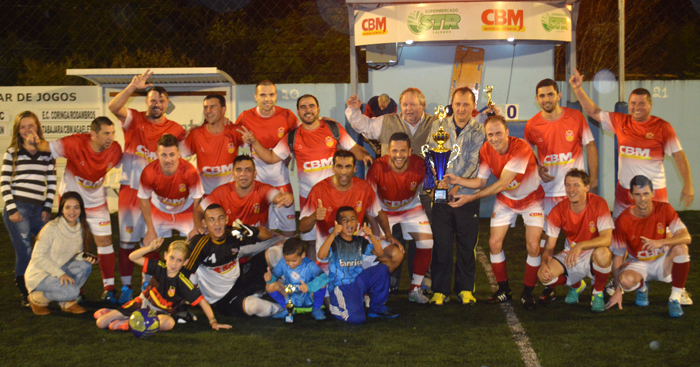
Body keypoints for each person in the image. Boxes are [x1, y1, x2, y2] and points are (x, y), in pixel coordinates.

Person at [239, 94, 372, 260]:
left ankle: (343, 273)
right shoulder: (292, 136)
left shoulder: (333, 128)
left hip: (334, 195)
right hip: (308, 197)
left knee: (342, 236)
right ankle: (312, 279)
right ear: (298, 112)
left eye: (311, 106)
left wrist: (366, 155)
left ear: (318, 109)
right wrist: (254, 142)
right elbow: (271, 157)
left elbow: (353, 148)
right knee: (310, 241)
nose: (307, 110)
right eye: (303, 107)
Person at [442, 115, 544, 309]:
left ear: (507, 132)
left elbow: (502, 183)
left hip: (531, 199)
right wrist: (458, 180)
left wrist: (470, 198)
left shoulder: (520, 148)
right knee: (494, 243)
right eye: (490, 134)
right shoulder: (486, 150)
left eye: (498, 133)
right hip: (506, 199)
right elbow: (480, 182)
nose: (495, 138)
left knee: (533, 245)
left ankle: (528, 293)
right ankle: (504, 290)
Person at [569, 68, 693, 217]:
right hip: (625, 192)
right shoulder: (620, 121)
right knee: (621, 235)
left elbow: (679, 156)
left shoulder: (662, 127)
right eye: (633, 103)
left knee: (657, 237)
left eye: (641, 103)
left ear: (650, 105)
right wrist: (578, 89)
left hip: (654, 193)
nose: (637, 107)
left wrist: (688, 185)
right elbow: (594, 112)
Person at [109, 70, 187, 304]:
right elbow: (113, 107)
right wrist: (133, 86)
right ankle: (124, 287)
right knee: (126, 242)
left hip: (157, 195)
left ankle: (146, 285)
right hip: (131, 191)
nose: (156, 104)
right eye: (152, 100)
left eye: (161, 100)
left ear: (167, 104)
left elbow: (186, 153)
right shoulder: (134, 118)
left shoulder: (176, 129)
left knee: (152, 241)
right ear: (146, 101)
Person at [26, 116, 123, 304]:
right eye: (106, 134)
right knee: (73, 245)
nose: (110, 138)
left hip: (96, 201)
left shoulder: (115, 150)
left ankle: (109, 290)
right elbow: (46, 147)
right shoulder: (75, 143)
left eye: (112, 133)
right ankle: (75, 290)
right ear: (93, 134)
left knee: (105, 241)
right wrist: (36, 141)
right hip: (72, 203)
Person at [524, 78, 598, 304]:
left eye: (550, 94)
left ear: (558, 95)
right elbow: (525, 155)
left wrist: (592, 181)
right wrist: (536, 166)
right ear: (537, 100)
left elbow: (590, 146)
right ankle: (556, 286)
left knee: (589, 240)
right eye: (542, 96)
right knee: (550, 242)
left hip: (576, 193)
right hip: (548, 194)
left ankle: (601, 284)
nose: (546, 99)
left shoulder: (575, 117)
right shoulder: (532, 125)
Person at [427, 87, 486, 306]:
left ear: (473, 106)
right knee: (441, 244)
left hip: (467, 195)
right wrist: (439, 180)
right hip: (441, 193)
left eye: (466, 104)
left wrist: (455, 186)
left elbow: (474, 162)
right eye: (457, 104)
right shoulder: (438, 125)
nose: (461, 108)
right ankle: (439, 291)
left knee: (466, 244)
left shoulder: (480, 131)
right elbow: (433, 155)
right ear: (451, 104)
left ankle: (465, 289)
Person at [94, 239, 232, 331]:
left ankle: (128, 324)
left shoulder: (183, 282)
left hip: (160, 313)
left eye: (179, 260)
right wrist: (149, 248)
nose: (174, 263)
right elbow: (132, 257)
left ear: (185, 262)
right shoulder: (158, 267)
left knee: (169, 323)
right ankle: (123, 317)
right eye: (171, 258)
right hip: (142, 303)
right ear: (165, 255)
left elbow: (202, 302)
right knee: (100, 323)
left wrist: (213, 322)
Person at [299, 150, 403, 271]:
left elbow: (379, 213)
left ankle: (368, 284)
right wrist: (314, 216)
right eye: (339, 167)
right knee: (336, 286)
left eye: (348, 167)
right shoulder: (319, 190)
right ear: (333, 168)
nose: (343, 172)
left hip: (358, 242)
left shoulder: (364, 187)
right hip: (330, 248)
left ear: (354, 168)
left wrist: (388, 235)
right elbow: (302, 227)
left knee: (395, 255)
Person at [606, 175, 692, 318]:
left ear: (653, 193)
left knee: (681, 247)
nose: (643, 198)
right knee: (625, 281)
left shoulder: (664, 209)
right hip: (638, 263)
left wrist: (661, 242)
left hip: (663, 260)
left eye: (646, 193)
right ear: (630, 195)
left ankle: (675, 298)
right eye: (638, 194)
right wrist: (617, 290)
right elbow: (618, 257)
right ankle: (642, 287)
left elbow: (686, 237)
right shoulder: (623, 220)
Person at [366, 132, 433, 303]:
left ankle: (415, 289)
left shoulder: (420, 164)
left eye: (403, 151)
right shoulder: (377, 167)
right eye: (395, 151)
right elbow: (368, 204)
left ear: (410, 151)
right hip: (383, 210)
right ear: (388, 150)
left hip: (410, 207)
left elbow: (431, 189)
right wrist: (376, 230)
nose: (398, 155)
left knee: (427, 242)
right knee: (374, 250)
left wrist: (438, 187)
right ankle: (369, 290)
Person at [184, 204, 284, 317]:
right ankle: (286, 309)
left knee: (277, 252)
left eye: (220, 218)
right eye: (211, 220)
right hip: (223, 298)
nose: (217, 224)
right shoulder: (200, 244)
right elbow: (182, 275)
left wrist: (253, 231)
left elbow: (266, 235)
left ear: (226, 219)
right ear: (204, 223)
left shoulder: (233, 233)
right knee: (254, 306)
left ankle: (286, 284)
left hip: (241, 278)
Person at [538, 169, 613, 312]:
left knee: (604, 254)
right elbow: (549, 246)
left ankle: (597, 293)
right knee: (544, 277)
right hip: (572, 252)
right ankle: (576, 285)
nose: (571, 190)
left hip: (594, 252)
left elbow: (607, 239)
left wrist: (581, 245)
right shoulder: (558, 210)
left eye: (576, 185)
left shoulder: (599, 203)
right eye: (568, 185)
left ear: (586, 187)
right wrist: (543, 264)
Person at [2, 111, 56, 307]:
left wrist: (48, 208)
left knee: (48, 248)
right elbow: (4, 183)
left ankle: (45, 286)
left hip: (39, 209)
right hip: (19, 208)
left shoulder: (47, 152)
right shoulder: (12, 152)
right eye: (23, 127)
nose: (27, 130)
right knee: (25, 251)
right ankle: (26, 293)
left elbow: (51, 183)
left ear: (37, 127)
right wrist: (11, 209)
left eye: (30, 126)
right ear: (18, 130)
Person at [234, 80, 299, 237]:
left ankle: (286, 261)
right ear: (256, 97)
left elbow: (302, 136)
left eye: (271, 95)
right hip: (257, 186)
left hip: (281, 183)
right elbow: (230, 140)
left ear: (276, 96)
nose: (267, 99)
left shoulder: (287, 115)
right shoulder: (245, 117)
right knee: (258, 234)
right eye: (263, 95)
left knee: (289, 235)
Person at [318, 207, 398, 324]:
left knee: (382, 269)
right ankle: (334, 307)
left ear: (357, 223)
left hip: (359, 281)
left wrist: (370, 235)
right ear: (338, 224)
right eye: (344, 220)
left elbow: (380, 253)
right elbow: (321, 255)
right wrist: (333, 234)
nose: (349, 223)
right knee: (357, 319)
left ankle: (376, 308)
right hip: (342, 286)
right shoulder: (334, 242)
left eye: (352, 219)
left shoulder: (360, 241)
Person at [25, 192, 98, 315]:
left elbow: (75, 254)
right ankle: (37, 298)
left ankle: (67, 302)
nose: (72, 211)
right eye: (67, 207)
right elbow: (38, 256)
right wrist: (60, 274)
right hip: (40, 275)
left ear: (81, 209)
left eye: (76, 207)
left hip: (60, 270)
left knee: (86, 266)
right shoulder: (51, 228)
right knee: (73, 291)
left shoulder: (81, 227)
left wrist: (84, 256)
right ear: (62, 210)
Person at [193, 155, 294, 232]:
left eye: (248, 170)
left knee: (279, 247)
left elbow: (276, 196)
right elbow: (199, 211)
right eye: (239, 170)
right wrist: (198, 226)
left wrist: (286, 197)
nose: (243, 174)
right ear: (233, 174)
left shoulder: (263, 189)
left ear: (255, 174)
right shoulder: (222, 191)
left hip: (259, 242)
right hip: (231, 242)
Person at [138, 134, 204, 250]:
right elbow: (144, 201)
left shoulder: (189, 172)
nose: (168, 160)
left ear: (179, 154)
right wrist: (150, 229)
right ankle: (153, 268)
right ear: (157, 154)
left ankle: (191, 267)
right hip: (160, 211)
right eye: (163, 155)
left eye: (172, 154)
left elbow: (198, 199)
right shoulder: (149, 172)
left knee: (198, 241)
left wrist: (197, 225)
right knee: (148, 244)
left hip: (186, 211)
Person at [180, 94, 244, 195]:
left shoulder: (235, 131)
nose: (208, 111)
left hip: (230, 194)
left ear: (223, 110)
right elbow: (177, 155)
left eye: (213, 107)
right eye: (206, 107)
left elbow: (255, 148)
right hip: (205, 195)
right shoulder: (196, 134)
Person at [265, 237, 329, 321]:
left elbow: (324, 278)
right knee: (270, 285)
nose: (290, 264)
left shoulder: (309, 264)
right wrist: (269, 278)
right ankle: (287, 308)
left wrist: (309, 287)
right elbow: (274, 276)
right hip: (291, 295)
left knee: (322, 284)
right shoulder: (282, 263)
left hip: (308, 296)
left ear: (303, 255)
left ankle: (316, 309)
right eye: (287, 260)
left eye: (294, 261)